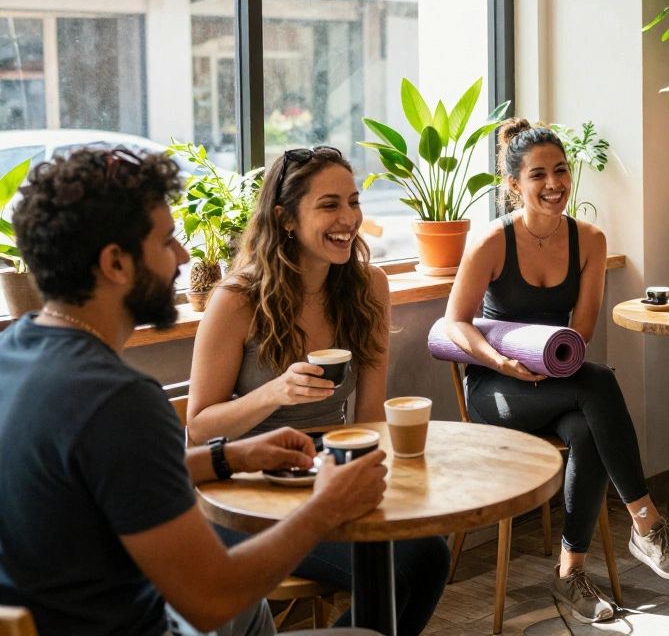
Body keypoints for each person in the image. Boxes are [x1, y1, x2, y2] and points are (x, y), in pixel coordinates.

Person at [0, 145, 386, 636]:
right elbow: (211, 600)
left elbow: (103, 480)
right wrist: (325, 508)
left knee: (254, 614)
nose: (184, 257)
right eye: (167, 242)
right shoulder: (118, 400)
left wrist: (230, 457)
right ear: (115, 262)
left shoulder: (15, 350)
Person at [443, 119, 669, 623]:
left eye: (561, 170)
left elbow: (579, 333)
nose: (554, 183)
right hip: (498, 388)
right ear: (514, 184)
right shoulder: (492, 241)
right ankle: (646, 523)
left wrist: (550, 365)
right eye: (538, 175)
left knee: (587, 426)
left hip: (560, 378)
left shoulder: (590, 241)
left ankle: (570, 574)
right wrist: (500, 361)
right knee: (599, 381)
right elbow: (455, 322)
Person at [185, 146, 449, 634]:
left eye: (353, 201)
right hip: (245, 491)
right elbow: (198, 429)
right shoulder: (237, 300)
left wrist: (378, 480)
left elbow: (369, 415)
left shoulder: (368, 287)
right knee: (395, 570)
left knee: (429, 552)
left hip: (326, 472)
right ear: (285, 219)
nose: (348, 218)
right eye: (329, 205)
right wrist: (275, 392)